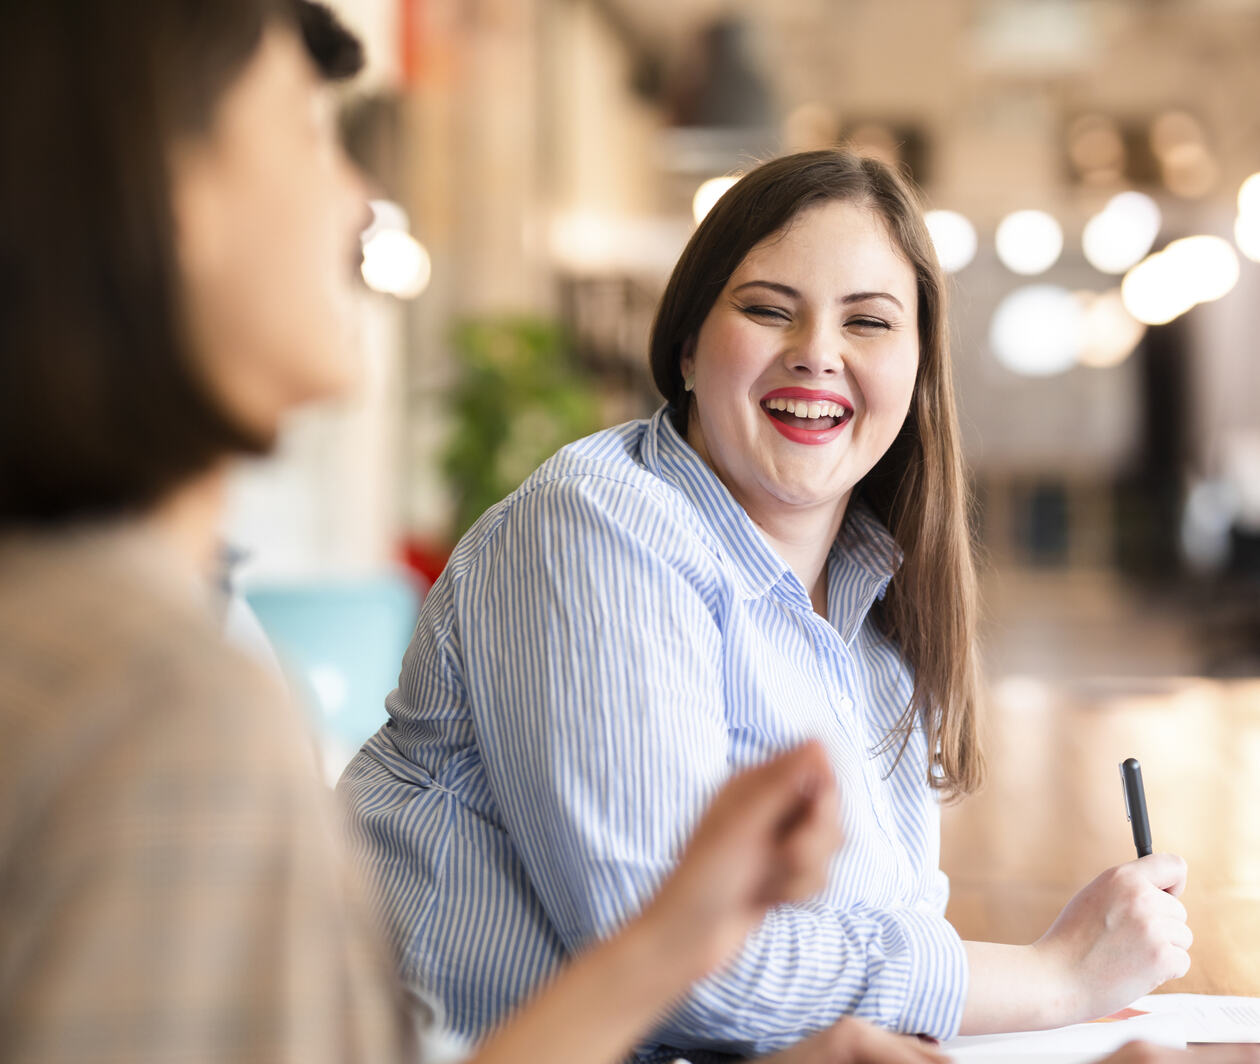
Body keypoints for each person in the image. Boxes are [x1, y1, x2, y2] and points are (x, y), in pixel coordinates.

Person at [0, 4, 949, 1064]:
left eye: (871, 319)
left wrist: (674, 947)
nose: (359, 200)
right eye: (307, 140)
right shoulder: (148, 696)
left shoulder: (147, 637)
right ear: (147, 205)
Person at [339, 148, 1195, 1062]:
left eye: (868, 322)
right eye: (767, 309)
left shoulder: (878, 606)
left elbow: (871, 947)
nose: (817, 354)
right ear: (686, 346)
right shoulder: (598, 526)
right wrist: (1059, 976)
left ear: (916, 372)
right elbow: (678, 964)